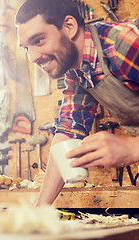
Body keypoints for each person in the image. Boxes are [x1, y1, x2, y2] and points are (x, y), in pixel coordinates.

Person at [15, 0, 139, 206]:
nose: (33, 57)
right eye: (26, 48)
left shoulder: (123, 43)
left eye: (38, 41)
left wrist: (133, 148)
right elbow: (67, 133)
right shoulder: (77, 72)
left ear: (70, 26)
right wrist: (39, 213)